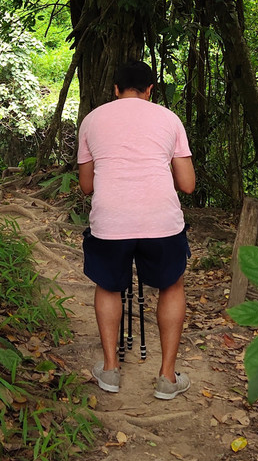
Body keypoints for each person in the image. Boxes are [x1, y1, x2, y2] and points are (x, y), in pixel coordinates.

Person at [76, 59, 196, 400]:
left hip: (110, 221)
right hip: (160, 221)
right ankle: (167, 378)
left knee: (108, 286)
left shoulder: (92, 120)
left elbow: (86, 185)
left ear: (115, 89)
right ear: (150, 90)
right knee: (171, 285)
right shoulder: (169, 119)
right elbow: (187, 184)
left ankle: (111, 370)